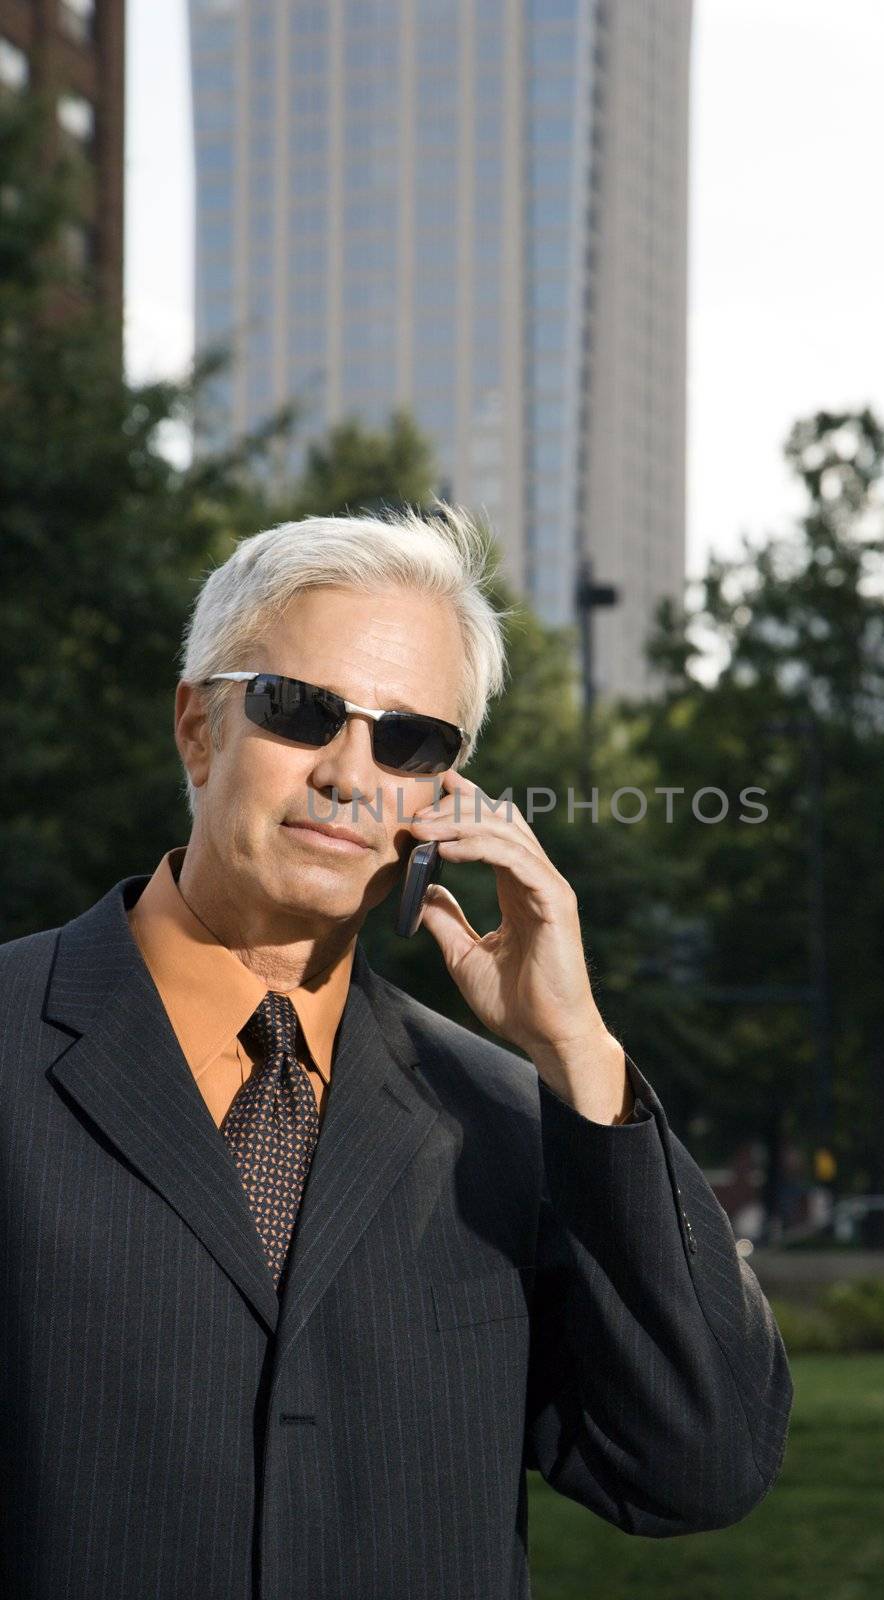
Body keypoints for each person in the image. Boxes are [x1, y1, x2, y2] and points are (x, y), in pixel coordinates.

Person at [0, 506, 793, 1600]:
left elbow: (696, 1462)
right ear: (197, 726)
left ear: (442, 793)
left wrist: (576, 1049)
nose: (349, 774)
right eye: (299, 710)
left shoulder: (508, 1116)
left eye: (409, 739)